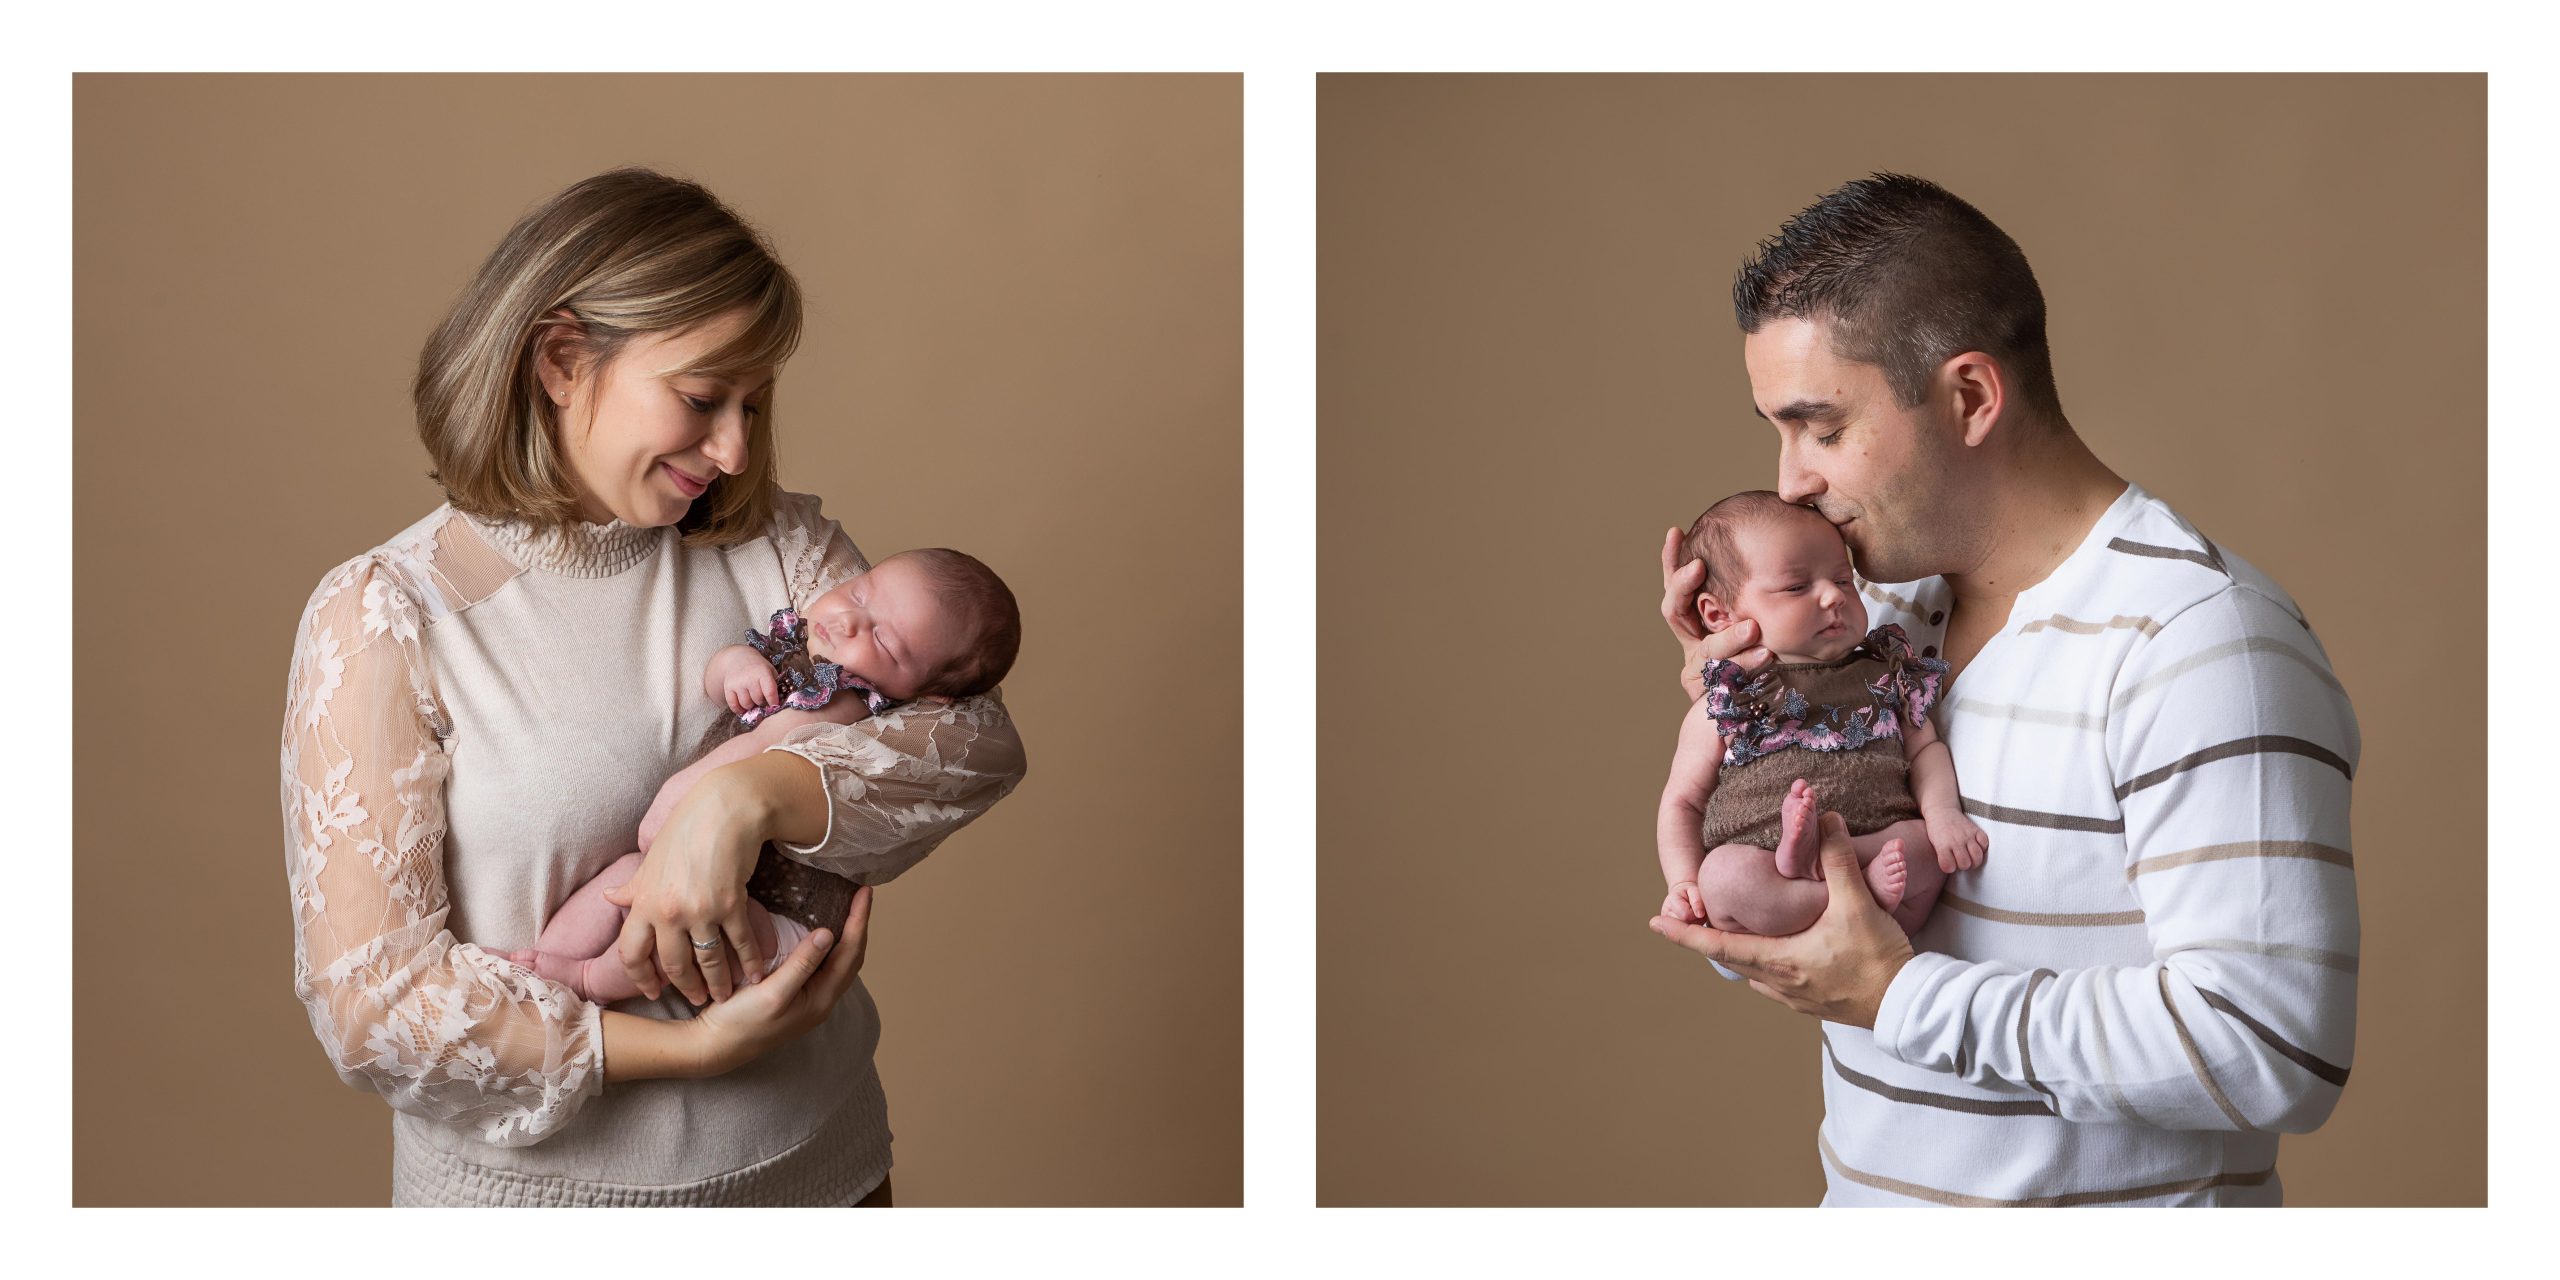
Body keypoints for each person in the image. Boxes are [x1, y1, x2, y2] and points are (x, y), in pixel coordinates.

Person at [279, 168, 1026, 1206]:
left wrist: (737, 798)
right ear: (561, 359)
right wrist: (691, 1049)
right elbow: (375, 1008)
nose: (734, 449)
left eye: (754, 403)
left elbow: (977, 739)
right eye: (701, 396)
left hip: (827, 1178)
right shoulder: (390, 611)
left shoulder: (783, 550)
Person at [1647, 173, 2358, 1206]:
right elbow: (1805, 940)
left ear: (1971, 397)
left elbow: (2272, 1051)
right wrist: (1741, 724)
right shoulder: (1874, 622)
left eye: (1820, 426)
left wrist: (1900, 994)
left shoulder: (2201, 642)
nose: (1790, 478)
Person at [507, 548, 1024, 1003]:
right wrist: (734, 666)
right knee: (623, 882)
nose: (848, 621)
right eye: (859, 593)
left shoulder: (851, 703)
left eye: (884, 642)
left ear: (928, 691)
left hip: (777, 911)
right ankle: (531, 964)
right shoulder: (799, 640)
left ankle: (590, 979)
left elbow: (764, 743)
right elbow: (719, 682)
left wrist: (687, 793)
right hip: (714, 871)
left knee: (682, 923)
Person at [1656, 491, 1986, 940]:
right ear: (1718, 615)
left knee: (1925, 845)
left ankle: (1838, 862)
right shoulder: (1725, 700)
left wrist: (1944, 814)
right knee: (1724, 876)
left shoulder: (1885, 673)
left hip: (1876, 853)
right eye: (1796, 587)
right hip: (1771, 868)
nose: (1832, 595)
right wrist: (1685, 882)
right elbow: (1683, 801)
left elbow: (1926, 748)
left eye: (1844, 580)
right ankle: (1839, 892)